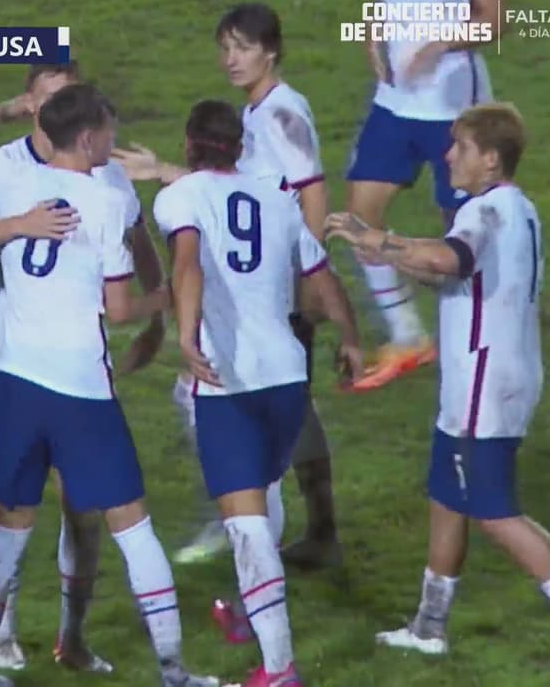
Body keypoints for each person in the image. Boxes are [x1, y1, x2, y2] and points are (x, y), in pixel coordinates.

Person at [325, 102, 550, 682]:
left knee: (492, 511)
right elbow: (452, 274)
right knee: (446, 495)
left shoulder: (485, 210)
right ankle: (429, 626)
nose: (447, 156)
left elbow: (449, 257)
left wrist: (376, 237)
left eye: (459, 147)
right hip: (481, 377)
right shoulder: (513, 208)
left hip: (486, 383)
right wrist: (390, 254)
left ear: (490, 159)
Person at [0, 83, 219, 687]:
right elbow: (117, 310)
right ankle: (174, 671)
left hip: (15, 383)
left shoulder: (9, 176)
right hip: (80, 393)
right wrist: (166, 298)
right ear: (89, 138)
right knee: (134, 528)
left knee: (7, 531)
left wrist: (1, 112)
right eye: (109, 132)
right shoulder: (106, 204)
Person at [114, 2, 346, 575]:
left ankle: (246, 515)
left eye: (242, 47)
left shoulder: (281, 113)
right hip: (270, 281)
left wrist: (305, 279)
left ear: (272, 50)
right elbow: (241, 190)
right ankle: (305, 526)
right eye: (225, 48)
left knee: (214, 393)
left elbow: (310, 194)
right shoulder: (259, 112)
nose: (231, 59)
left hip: (273, 288)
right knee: (290, 406)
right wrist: (166, 171)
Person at [155, 100, 364, 687]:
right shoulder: (277, 199)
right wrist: (351, 338)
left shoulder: (180, 196)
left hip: (230, 381)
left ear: (190, 145)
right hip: (287, 379)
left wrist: (187, 336)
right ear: (239, 148)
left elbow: (188, 265)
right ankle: (248, 616)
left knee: (246, 523)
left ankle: (278, 669)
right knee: (263, 495)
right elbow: (321, 276)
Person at [339, 0, 506, 391]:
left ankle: (481, 339)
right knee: (360, 216)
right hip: (395, 102)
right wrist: (372, 28)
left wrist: (437, 44)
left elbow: (494, 19)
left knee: (464, 238)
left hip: (454, 107)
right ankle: (408, 335)